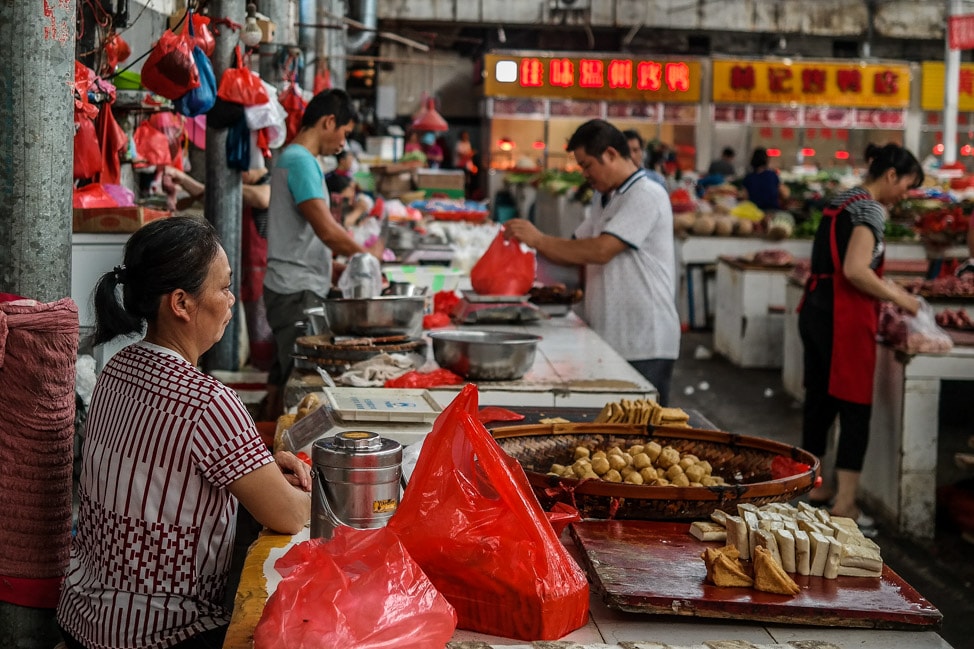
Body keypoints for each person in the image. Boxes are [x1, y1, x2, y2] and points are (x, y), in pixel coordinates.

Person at [57, 217, 312, 649]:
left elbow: (169, 467)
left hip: (83, 618)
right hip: (158, 634)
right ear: (180, 303)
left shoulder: (118, 369)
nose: (232, 299)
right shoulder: (208, 402)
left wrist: (261, 469)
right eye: (224, 287)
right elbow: (287, 515)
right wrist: (317, 490)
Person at [505, 119, 681, 405]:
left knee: (641, 426)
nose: (585, 174)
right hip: (611, 333)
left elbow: (600, 250)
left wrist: (538, 239)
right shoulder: (605, 198)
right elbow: (575, 248)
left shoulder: (645, 194)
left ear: (610, 154)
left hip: (645, 339)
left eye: (587, 165)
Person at [798, 143, 923, 526]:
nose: (905, 195)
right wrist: (901, 298)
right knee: (854, 407)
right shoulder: (870, 209)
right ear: (891, 175)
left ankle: (817, 487)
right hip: (844, 317)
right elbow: (855, 269)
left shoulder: (841, 200)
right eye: (907, 185)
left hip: (816, 309)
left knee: (820, 401)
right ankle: (846, 504)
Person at [262, 88, 378, 419]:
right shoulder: (300, 161)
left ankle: (267, 439)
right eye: (344, 133)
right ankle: (278, 447)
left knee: (285, 376)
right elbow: (326, 230)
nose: (343, 143)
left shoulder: (296, 159)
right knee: (301, 387)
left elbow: (303, 233)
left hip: (293, 283)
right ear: (328, 122)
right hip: (296, 291)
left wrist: (331, 266)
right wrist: (368, 260)